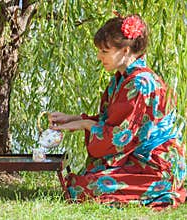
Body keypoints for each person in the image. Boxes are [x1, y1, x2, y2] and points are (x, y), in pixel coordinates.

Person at [50, 14, 186, 209]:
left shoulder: (141, 83)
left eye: (104, 51)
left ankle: (164, 192)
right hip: (140, 159)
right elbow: (114, 122)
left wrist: (85, 124)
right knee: (81, 183)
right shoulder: (121, 79)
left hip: (156, 165)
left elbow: (121, 136)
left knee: (80, 189)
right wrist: (73, 119)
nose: (99, 57)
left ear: (125, 50)